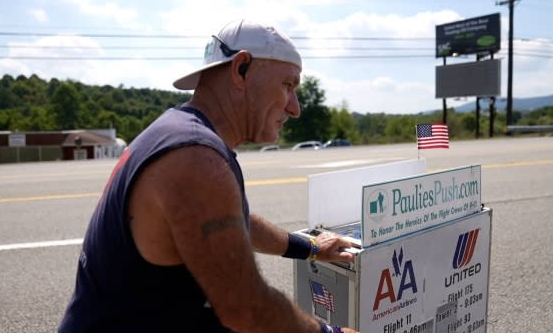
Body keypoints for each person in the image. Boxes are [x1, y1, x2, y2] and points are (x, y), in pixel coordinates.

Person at [59, 19, 359, 333]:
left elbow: (230, 223)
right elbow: (246, 308)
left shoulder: (180, 131)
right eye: (288, 85)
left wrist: (311, 247)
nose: (295, 108)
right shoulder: (195, 157)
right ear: (241, 68)